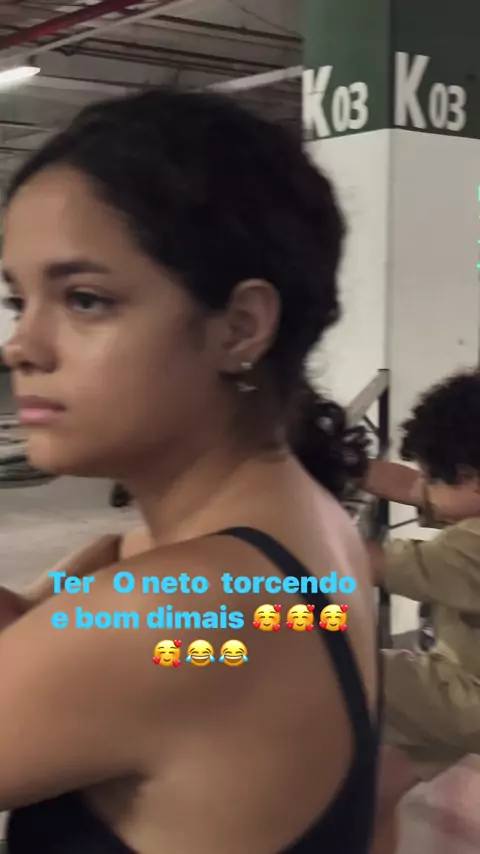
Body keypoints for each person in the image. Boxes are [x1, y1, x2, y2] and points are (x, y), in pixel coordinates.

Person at [0, 88, 379, 854]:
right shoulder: (294, 530)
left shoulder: (173, 608)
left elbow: (133, 632)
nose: (21, 346)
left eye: (85, 300)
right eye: (18, 300)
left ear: (240, 327)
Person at [363, 370, 480, 854]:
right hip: (465, 679)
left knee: (345, 666)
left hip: (468, 694)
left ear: (472, 479)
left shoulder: (472, 546)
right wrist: (340, 461)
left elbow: (368, 562)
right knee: (372, 794)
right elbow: (412, 486)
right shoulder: (471, 501)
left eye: (434, 476)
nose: (424, 486)